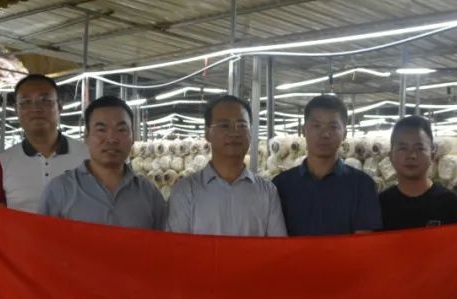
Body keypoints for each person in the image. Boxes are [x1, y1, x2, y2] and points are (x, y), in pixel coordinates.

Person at [166, 95, 286, 236]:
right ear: (207, 133)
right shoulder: (185, 192)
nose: (234, 132)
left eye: (242, 126)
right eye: (224, 125)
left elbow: (277, 247)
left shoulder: (268, 193)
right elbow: (178, 247)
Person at [39, 95, 166, 228]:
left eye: (121, 130)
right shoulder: (59, 190)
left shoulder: (149, 193)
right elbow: (41, 239)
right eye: (101, 130)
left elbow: (163, 239)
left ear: (133, 137)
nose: (111, 139)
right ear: (86, 136)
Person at [272, 95, 382, 236]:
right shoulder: (281, 186)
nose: (325, 134)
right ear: (303, 130)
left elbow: (362, 243)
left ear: (345, 133)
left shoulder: (362, 186)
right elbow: (275, 240)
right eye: (316, 126)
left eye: (333, 126)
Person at [0, 74, 87, 213]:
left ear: (60, 106)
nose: (36, 108)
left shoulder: (88, 156)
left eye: (44, 100)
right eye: (26, 102)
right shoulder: (3, 163)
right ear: (16, 110)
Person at [379, 115, 457, 230]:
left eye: (420, 148)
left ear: (432, 155)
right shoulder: (379, 206)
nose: (411, 155)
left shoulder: (451, 205)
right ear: (390, 156)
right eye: (403, 148)